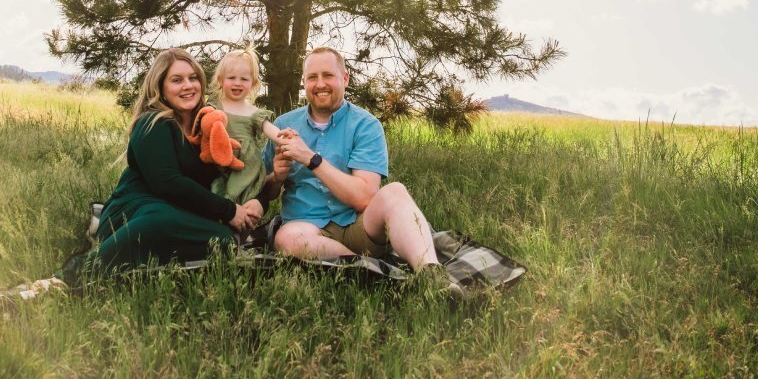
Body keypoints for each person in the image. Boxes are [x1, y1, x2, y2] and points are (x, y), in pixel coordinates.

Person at [45, 48, 269, 292]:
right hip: (139, 208)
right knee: (159, 222)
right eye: (177, 80)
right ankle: (71, 275)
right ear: (160, 86)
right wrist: (228, 210)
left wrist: (263, 195)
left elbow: (237, 174)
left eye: (193, 78)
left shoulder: (207, 127)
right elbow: (167, 182)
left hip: (178, 212)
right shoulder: (153, 123)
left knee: (222, 241)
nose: (188, 86)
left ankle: (150, 269)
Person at [264, 46, 464, 299]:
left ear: (344, 79)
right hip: (306, 227)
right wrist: (276, 177)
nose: (320, 84)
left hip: (359, 225)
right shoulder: (283, 125)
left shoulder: (366, 125)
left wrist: (311, 159)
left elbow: (364, 197)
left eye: (328, 75)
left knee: (395, 192)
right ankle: (375, 273)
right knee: (287, 240)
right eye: (312, 77)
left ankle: (431, 277)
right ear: (304, 82)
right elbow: (267, 193)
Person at [207, 47, 287, 204]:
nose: (238, 83)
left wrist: (284, 138)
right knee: (217, 190)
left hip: (245, 165)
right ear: (220, 80)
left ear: (253, 83)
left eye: (244, 79)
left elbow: (270, 130)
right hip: (219, 157)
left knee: (241, 195)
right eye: (231, 78)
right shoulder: (215, 105)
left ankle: (241, 224)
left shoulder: (254, 112)